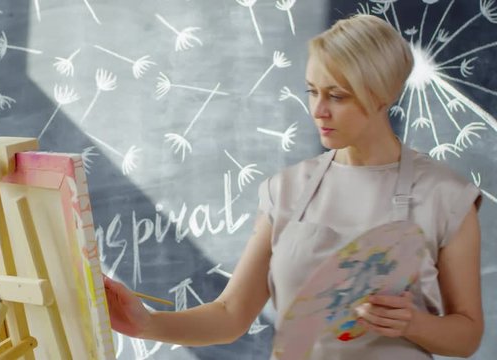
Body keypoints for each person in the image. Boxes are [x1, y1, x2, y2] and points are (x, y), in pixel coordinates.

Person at [102, 14, 484, 359]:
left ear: (383, 95)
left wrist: (414, 324)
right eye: (312, 91)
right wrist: (147, 324)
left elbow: (467, 336)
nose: (318, 110)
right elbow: (229, 315)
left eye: (337, 95)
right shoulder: (286, 190)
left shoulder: (444, 195)